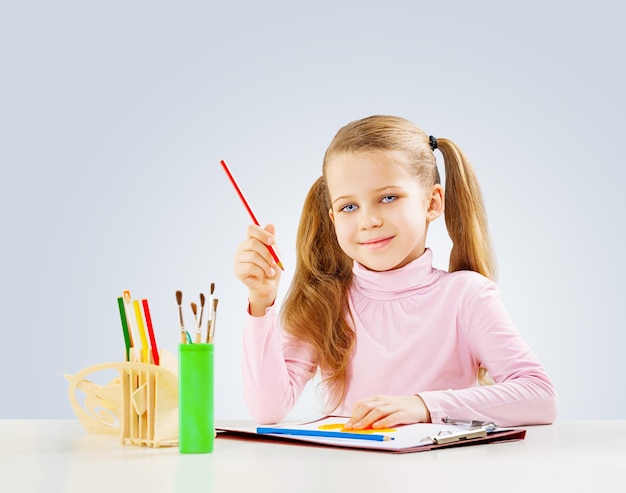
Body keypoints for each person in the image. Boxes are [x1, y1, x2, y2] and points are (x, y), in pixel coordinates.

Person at [233, 115, 557, 429]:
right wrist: (261, 300)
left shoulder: (466, 297)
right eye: (349, 206)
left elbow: (539, 396)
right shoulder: (325, 301)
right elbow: (267, 408)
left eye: (388, 198)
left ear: (432, 202)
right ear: (333, 218)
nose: (368, 220)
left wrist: (423, 405)